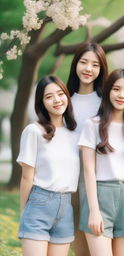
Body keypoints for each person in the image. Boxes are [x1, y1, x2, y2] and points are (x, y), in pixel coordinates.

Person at [78, 68, 124, 256]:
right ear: (108, 91)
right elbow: (88, 171)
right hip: (99, 196)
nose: (121, 95)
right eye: (116, 89)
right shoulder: (92, 125)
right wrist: (94, 210)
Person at [17, 75, 80, 256]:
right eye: (48, 96)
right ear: (41, 103)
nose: (57, 100)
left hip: (65, 207)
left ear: (67, 96)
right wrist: (24, 212)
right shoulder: (34, 131)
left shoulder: (75, 135)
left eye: (60, 94)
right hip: (38, 204)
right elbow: (27, 176)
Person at [67, 42, 108, 256]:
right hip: (71, 182)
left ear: (102, 69)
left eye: (95, 64)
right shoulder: (64, 102)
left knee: (100, 244)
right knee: (79, 246)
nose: (88, 69)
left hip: (100, 183)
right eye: (83, 62)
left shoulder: (106, 103)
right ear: (75, 64)